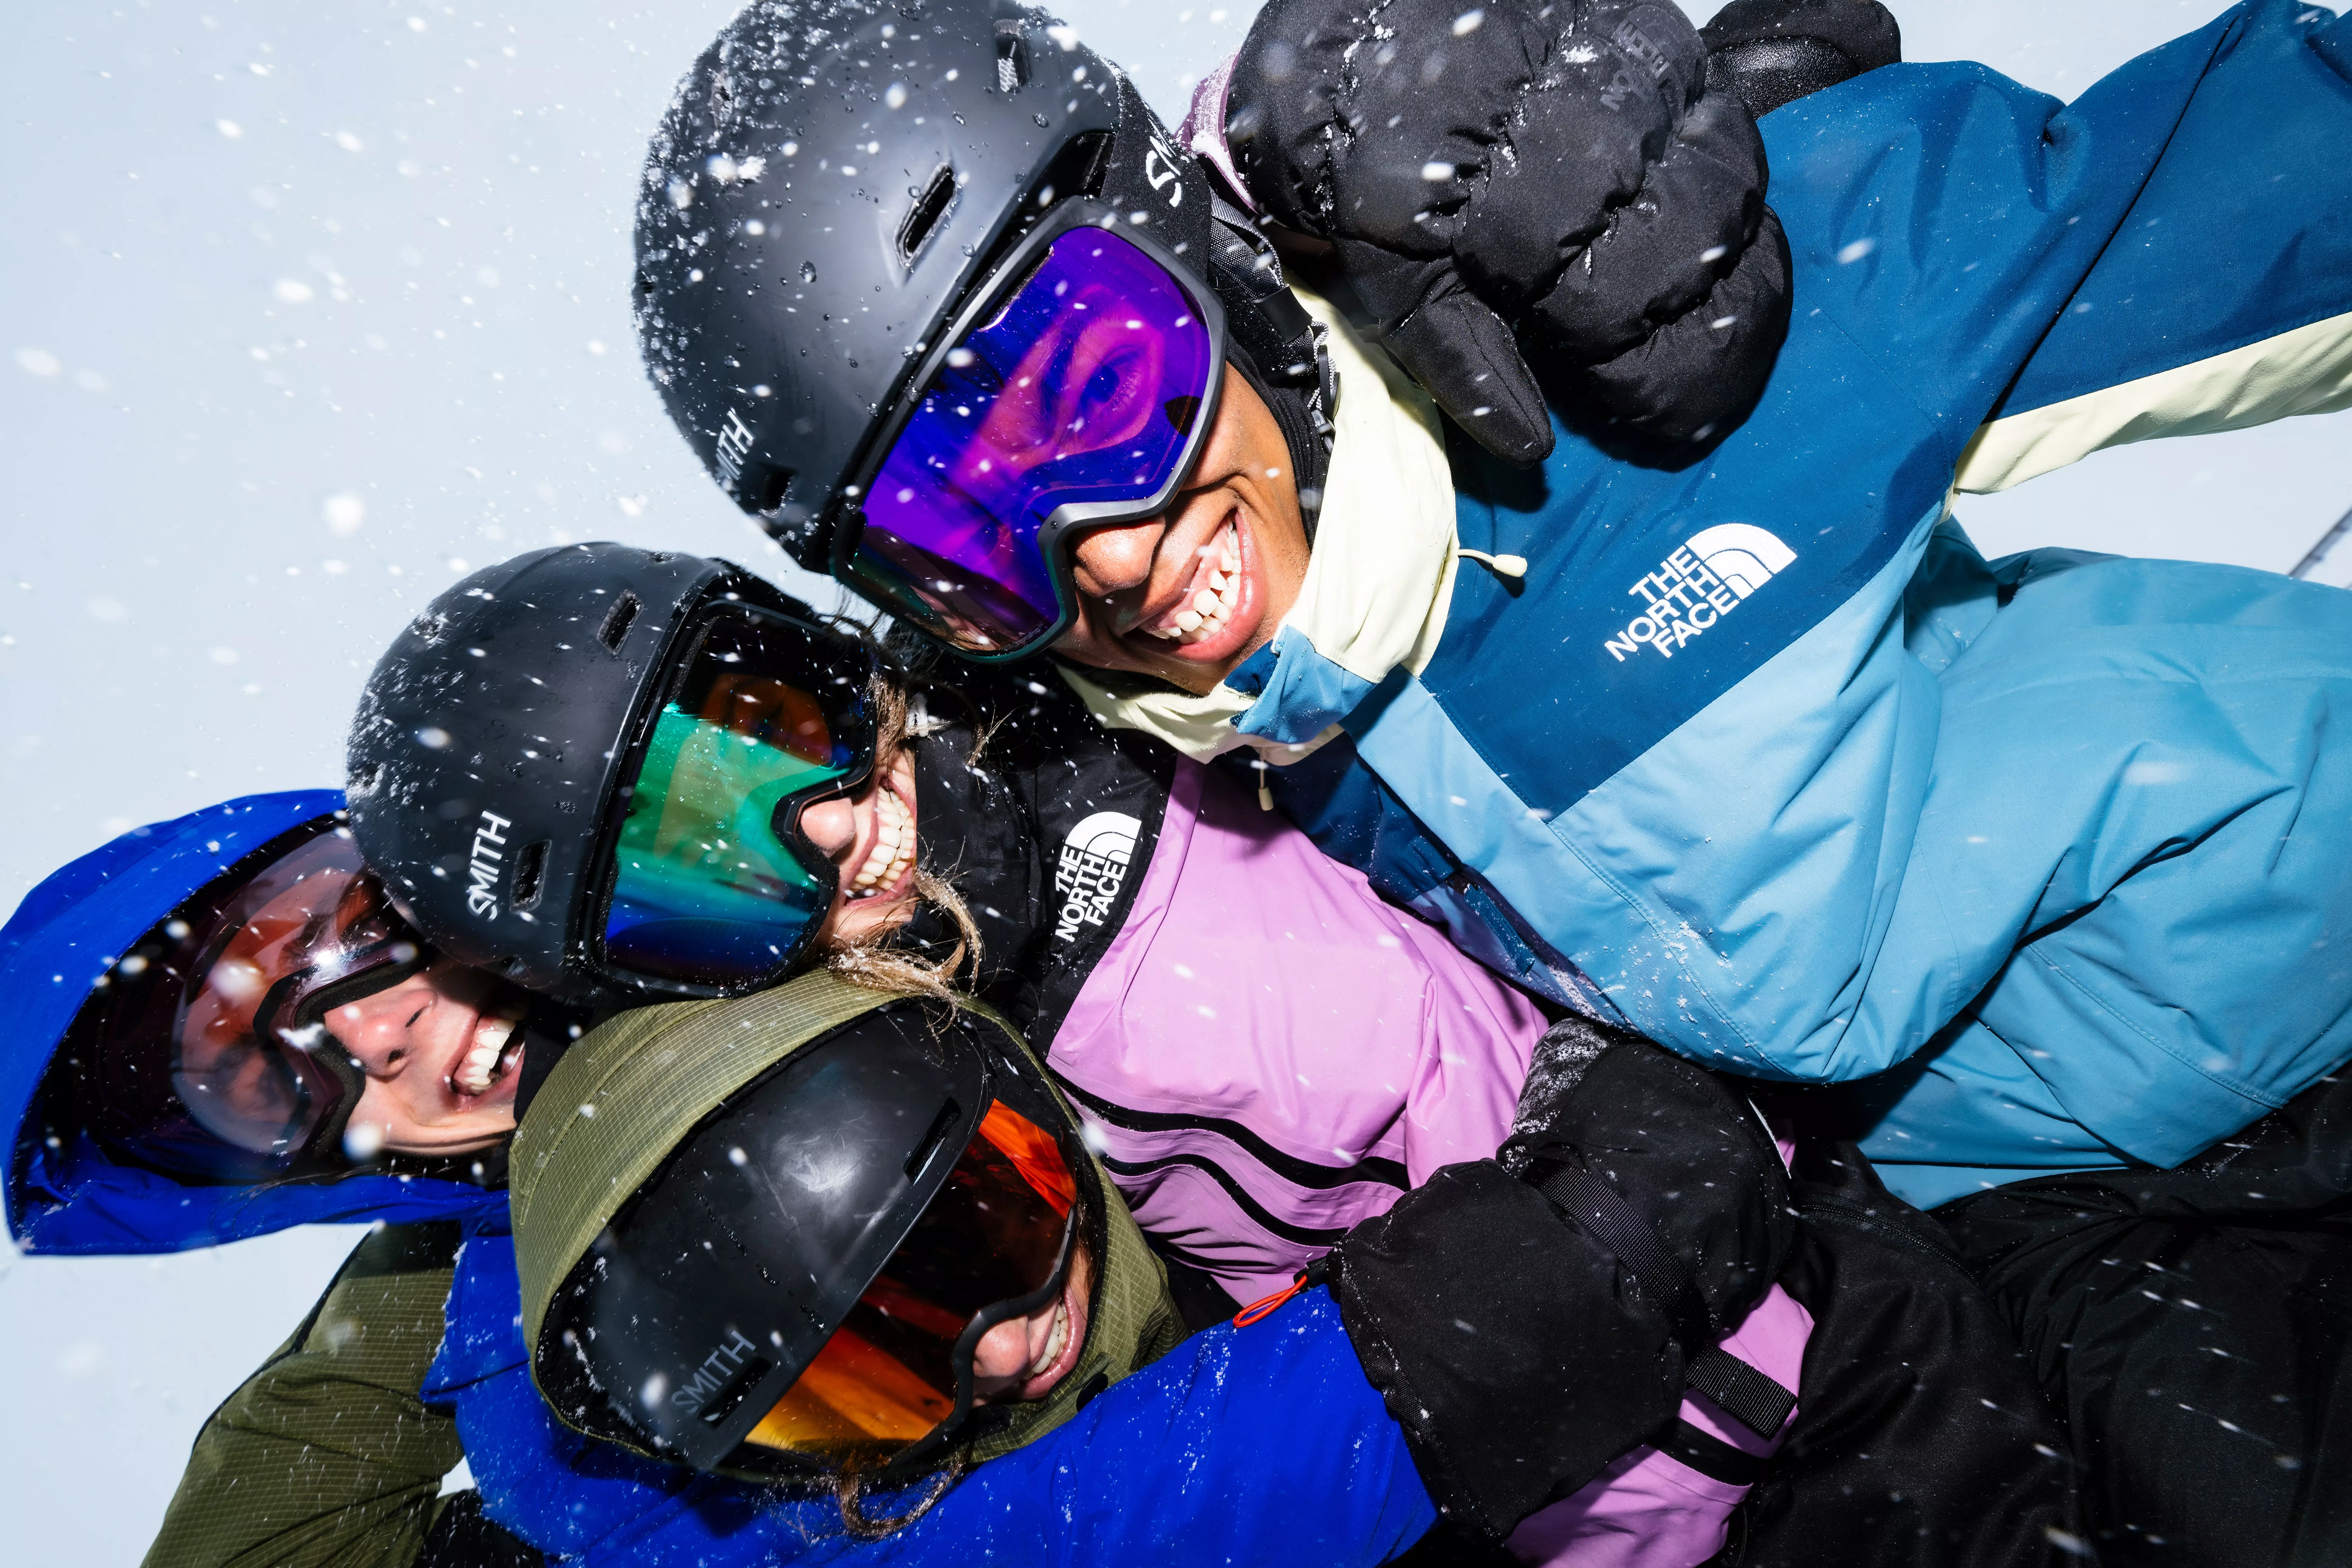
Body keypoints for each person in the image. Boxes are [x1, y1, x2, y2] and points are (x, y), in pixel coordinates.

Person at [628, 5, 2352, 1555]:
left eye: (1096, 384)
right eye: (960, 542)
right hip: (2023, 1213)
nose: (1107, 548)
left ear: (1179, 246)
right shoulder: (1156, 774)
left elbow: (2260, 186)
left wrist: (1374, 97)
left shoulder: (1638, 356)